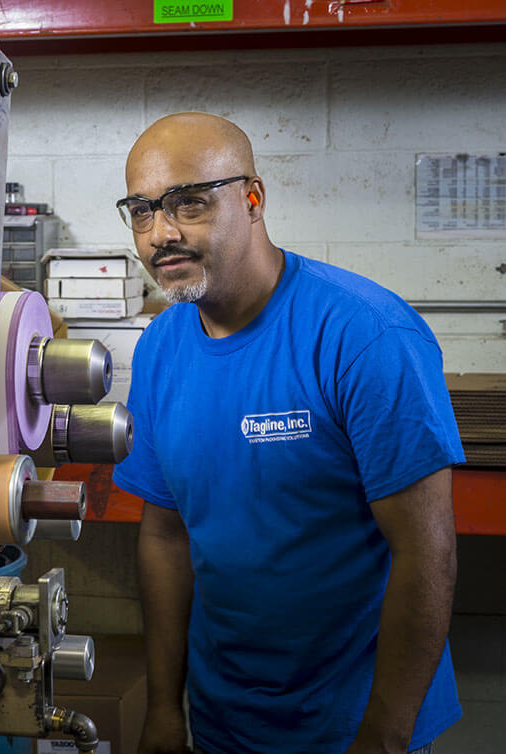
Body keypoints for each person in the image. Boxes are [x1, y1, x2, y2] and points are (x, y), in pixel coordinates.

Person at [112, 112, 464, 754]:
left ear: (252, 199)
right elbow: (164, 534)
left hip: (355, 721)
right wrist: (165, 707)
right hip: (225, 719)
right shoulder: (161, 347)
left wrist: (382, 740)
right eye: (141, 211)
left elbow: (427, 552)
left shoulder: (365, 336)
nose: (162, 233)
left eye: (189, 204)